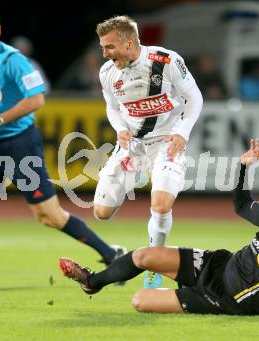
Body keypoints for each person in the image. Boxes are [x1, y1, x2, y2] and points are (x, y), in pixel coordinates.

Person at [0, 2, 125, 285]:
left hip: (19, 146)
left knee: (49, 216)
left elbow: (37, 99)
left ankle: (111, 254)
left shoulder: (13, 60)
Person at [59, 139, 259, 319]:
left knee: (140, 301)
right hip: (219, 264)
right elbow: (242, 206)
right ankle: (91, 282)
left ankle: (189, 293)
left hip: (229, 299)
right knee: (144, 256)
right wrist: (243, 168)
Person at [92, 15, 203, 289]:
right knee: (101, 213)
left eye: (109, 47)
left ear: (129, 44)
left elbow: (195, 98)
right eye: (103, 47)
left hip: (167, 143)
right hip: (133, 147)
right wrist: (120, 128)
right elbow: (112, 108)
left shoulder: (166, 61)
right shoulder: (107, 73)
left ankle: (154, 266)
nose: (104, 53)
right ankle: (139, 174)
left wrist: (182, 132)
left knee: (161, 206)